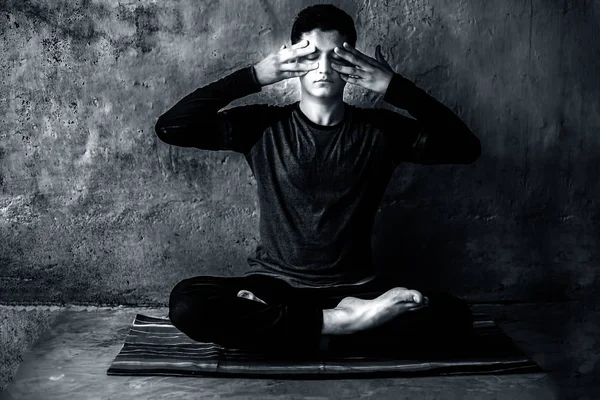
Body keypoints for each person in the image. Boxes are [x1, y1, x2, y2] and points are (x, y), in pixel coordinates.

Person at [155, 4, 481, 358]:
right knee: (189, 303)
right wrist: (254, 76)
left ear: (353, 63)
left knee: (453, 317)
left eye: (335, 58)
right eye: (311, 56)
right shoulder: (261, 126)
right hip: (275, 288)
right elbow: (172, 127)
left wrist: (394, 87)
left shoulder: (381, 131)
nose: (323, 69)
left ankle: (299, 329)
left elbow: (465, 147)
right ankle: (343, 325)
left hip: (358, 288)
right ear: (291, 59)